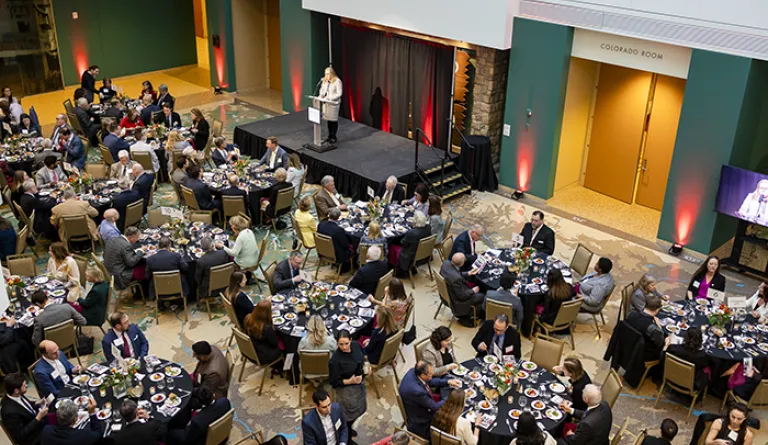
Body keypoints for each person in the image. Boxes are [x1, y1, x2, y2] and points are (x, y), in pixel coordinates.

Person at [399, 361, 461, 440]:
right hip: (421, 420)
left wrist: (448, 382)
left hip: (415, 404)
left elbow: (429, 381)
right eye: (430, 374)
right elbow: (434, 407)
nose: (432, 376)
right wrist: (451, 396)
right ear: (422, 375)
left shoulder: (414, 371)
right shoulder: (417, 391)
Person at [329, 330, 367, 437]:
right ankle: (345, 432)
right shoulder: (335, 361)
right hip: (346, 391)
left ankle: (348, 429)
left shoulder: (356, 345)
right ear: (337, 343)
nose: (344, 347)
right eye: (341, 344)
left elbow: (362, 357)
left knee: (360, 409)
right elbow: (333, 382)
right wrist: (350, 381)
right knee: (348, 415)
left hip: (359, 386)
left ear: (351, 340)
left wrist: (366, 366)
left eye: (346, 343)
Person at [167, 386, 231, 445]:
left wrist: (170, 432)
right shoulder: (224, 401)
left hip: (204, 441)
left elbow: (186, 438)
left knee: (170, 434)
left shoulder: (197, 421)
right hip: (222, 434)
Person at [1, 372, 48, 445]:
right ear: (16, 390)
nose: (26, 386)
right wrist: (38, 417)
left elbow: (26, 405)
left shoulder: (16, 395)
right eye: (24, 385)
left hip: (36, 423)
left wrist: (38, 402)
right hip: (32, 438)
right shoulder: (10, 412)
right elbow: (21, 435)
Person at [439, 253, 484, 326]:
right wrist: (473, 290)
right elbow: (462, 296)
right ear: (462, 263)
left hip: (448, 292)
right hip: (457, 301)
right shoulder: (456, 279)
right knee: (483, 295)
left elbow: (455, 274)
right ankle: (474, 314)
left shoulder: (446, 264)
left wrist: (468, 273)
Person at [626, 294, 670, 362]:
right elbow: (660, 343)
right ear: (657, 310)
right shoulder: (652, 328)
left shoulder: (631, 315)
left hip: (627, 347)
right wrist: (659, 326)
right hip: (643, 355)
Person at [103, 226, 145, 293]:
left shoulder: (113, 239)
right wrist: (141, 252)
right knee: (146, 268)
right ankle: (141, 294)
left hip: (109, 271)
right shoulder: (126, 245)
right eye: (137, 238)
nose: (137, 240)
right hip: (120, 276)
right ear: (132, 238)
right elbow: (131, 263)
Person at [245, 300, 282, 365]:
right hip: (264, 355)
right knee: (286, 344)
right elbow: (275, 344)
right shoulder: (267, 328)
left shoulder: (248, 318)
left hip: (253, 350)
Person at [395, 211, 431, 276]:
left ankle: (397, 270)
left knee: (393, 246)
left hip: (410, 256)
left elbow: (403, 243)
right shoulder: (428, 227)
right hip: (424, 253)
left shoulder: (412, 233)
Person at [319, 66, 343, 143]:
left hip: (333, 104)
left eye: (328, 74)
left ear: (332, 74)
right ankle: (329, 135)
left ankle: (334, 136)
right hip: (326, 104)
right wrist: (321, 95)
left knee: (333, 120)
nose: (327, 76)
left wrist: (329, 97)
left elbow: (339, 94)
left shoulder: (337, 81)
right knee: (328, 120)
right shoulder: (325, 81)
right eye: (326, 74)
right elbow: (322, 90)